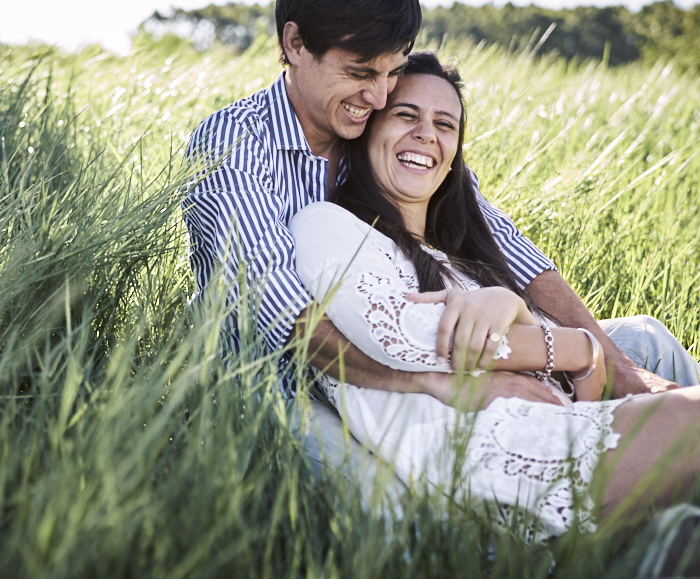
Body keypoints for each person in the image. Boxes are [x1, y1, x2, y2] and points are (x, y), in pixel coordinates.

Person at [181, 0, 696, 462]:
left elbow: (509, 250)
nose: (379, 95)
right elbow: (284, 317)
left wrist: (613, 361)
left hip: (427, 347)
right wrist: (427, 383)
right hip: (288, 382)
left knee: (643, 344)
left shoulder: (381, 131)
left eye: (392, 73)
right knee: (381, 508)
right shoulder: (234, 144)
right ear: (294, 44)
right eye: (360, 72)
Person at [288, 51, 700, 537]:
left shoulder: (462, 268)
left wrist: (559, 340)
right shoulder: (327, 224)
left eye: (445, 124)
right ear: (367, 133)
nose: (427, 134)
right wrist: (571, 344)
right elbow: (410, 336)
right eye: (406, 115)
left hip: (560, 433)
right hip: (485, 456)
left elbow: (580, 391)